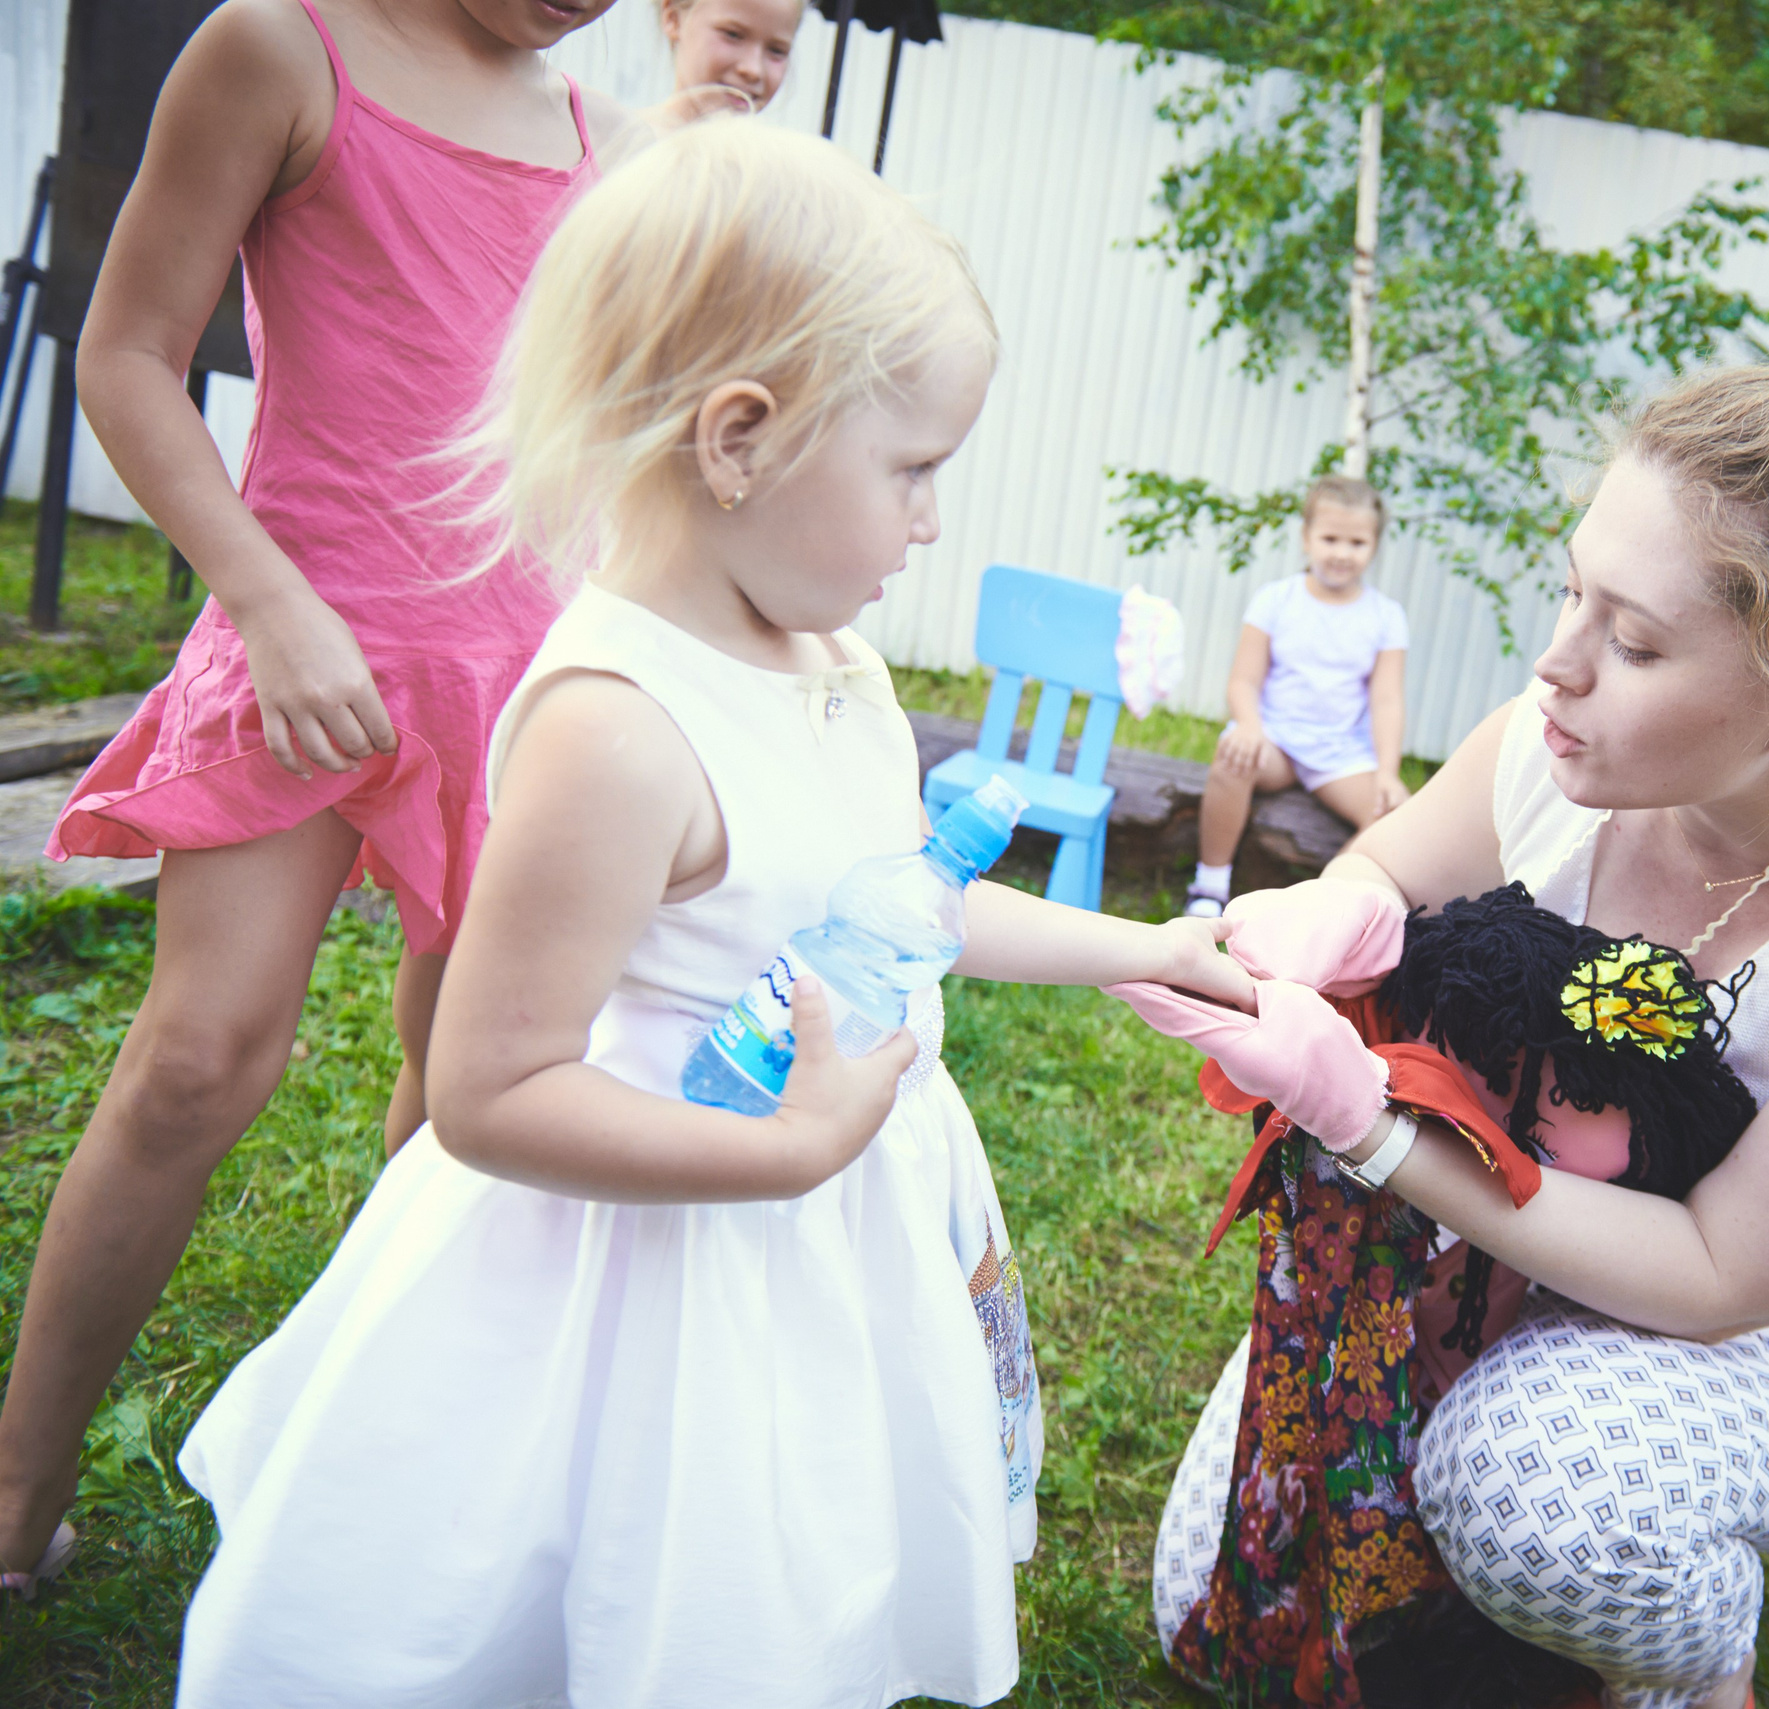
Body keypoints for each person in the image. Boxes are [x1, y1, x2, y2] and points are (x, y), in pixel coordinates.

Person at [169, 122, 1250, 1706]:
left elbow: (903, 905)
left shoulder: (835, 663)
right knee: (633, 1581)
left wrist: (1140, 948)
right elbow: (488, 1090)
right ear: (739, 438)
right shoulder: (618, 725)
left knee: (797, 1558)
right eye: (913, 472)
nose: (931, 523)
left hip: (817, 1224)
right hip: (643, 1263)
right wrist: (787, 1151)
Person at [1133, 366, 1769, 1709]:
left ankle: (1700, 1662)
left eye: (1638, 642)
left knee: (1547, 1506)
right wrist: (1335, 917)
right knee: (1215, 1611)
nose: (1560, 661)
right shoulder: (1557, 737)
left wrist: (1369, 1125)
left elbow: (1718, 1268)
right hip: (1506, 1217)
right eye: (1574, 591)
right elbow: (1382, 873)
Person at [2, 0, 644, 1597]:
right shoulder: (284, 49)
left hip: (520, 684)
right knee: (198, 1059)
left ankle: (351, 1478)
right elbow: (129, 352)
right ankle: (16, 1494)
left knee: (459, 1111)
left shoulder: (605, 140)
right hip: (311, 634)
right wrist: (275, 606)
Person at [1187, 475, 1411, 917]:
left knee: (1392, 813)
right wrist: (1250, 726)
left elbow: (1387, 700)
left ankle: (1321, 908)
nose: (1342, 553)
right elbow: (1243, 681)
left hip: (1339, 752)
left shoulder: (1386, 617)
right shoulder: (1276, 600)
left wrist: (1387, 770)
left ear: (1374, 547)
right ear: (1306, 538)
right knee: (1231, 755)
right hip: (1275, 742)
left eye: (1357, 543)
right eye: (1330, 538)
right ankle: (1209, 886)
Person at [649, 0, 804, 124]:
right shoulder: (630, 144)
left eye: (776, 50)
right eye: (733, 34)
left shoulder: (774, 162)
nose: (753, 70)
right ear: (673, 18)